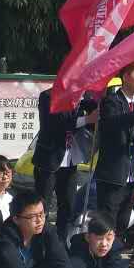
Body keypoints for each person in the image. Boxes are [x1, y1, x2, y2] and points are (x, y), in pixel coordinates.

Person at [94, 60, 134, 237]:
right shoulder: (111, 101)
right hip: (112, 174)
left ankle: (116, 250)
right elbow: (115, 123)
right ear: (126, 76)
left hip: (132, 174)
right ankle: (103, 252)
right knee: (107, 222)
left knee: (123, 221)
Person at [32, 88, 98, 240]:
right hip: (49, 160)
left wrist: (94, 108)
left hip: (70, 161)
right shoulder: (48, 95)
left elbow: (93, 120)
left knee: (68, 206)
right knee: (42, 206)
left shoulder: (84, 96)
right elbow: (57, 123)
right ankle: (39, 243)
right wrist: (87, 119)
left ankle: (61, 243)